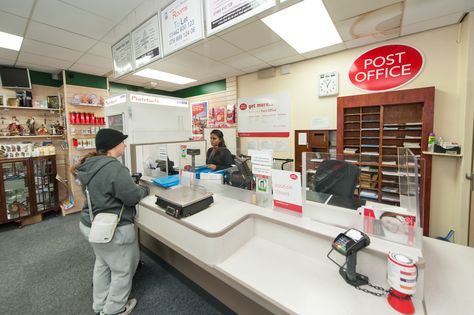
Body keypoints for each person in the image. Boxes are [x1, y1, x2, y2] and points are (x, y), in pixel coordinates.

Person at [73, 128, 149, 315]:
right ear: (114, 146)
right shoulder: (114, 167)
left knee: (103, 264)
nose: (124, 145)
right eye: (122, 142)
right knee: (122, 270)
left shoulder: (89, 164)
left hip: (89, 224)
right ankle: (115, 309)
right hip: (113, 229)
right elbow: (131, 197)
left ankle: (99, 305)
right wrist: (143, 190)